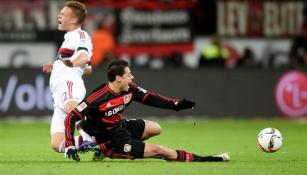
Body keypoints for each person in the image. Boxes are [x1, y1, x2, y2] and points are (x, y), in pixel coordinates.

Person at [63, 59, 230, 162]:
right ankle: (211, 159)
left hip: (119, 127)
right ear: (118, 78)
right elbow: (71, 117)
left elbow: (150, 98)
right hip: (111, 141)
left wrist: (176, 105)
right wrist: (70, 145)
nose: (132, 77)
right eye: (128, 75)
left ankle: (99, 149)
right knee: (161, 151)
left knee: (156, 128)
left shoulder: (129, 88)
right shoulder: (97, 98)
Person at [42, 1, 93, 153]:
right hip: (58, 91)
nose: (59, 15)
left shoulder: (80, 34)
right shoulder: (70, 37)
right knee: (57, 143)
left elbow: (83, 56)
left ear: (73, 20)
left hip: (68, 83)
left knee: (72, 106)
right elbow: (88, 69)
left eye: (63, 14)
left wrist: (72, 64)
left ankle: (92, 137)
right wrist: (57, 65)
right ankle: (93, 142)